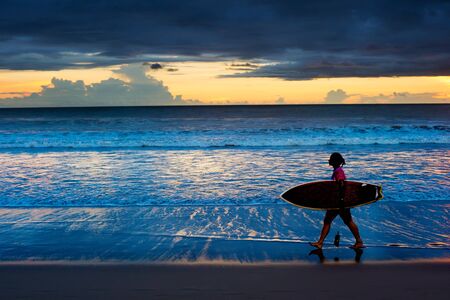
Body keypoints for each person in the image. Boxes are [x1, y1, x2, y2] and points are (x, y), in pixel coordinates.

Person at [309, 152, 364, 249]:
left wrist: (342, 200)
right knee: (342, 221)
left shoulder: (339, 171)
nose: (329, 160)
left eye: (330, 159)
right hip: (338, 202)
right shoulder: (337, 170)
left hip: (338, 203)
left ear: (334, 161)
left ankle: (359, 242)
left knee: (335, 221)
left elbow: (341, 184)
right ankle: (320, 242)